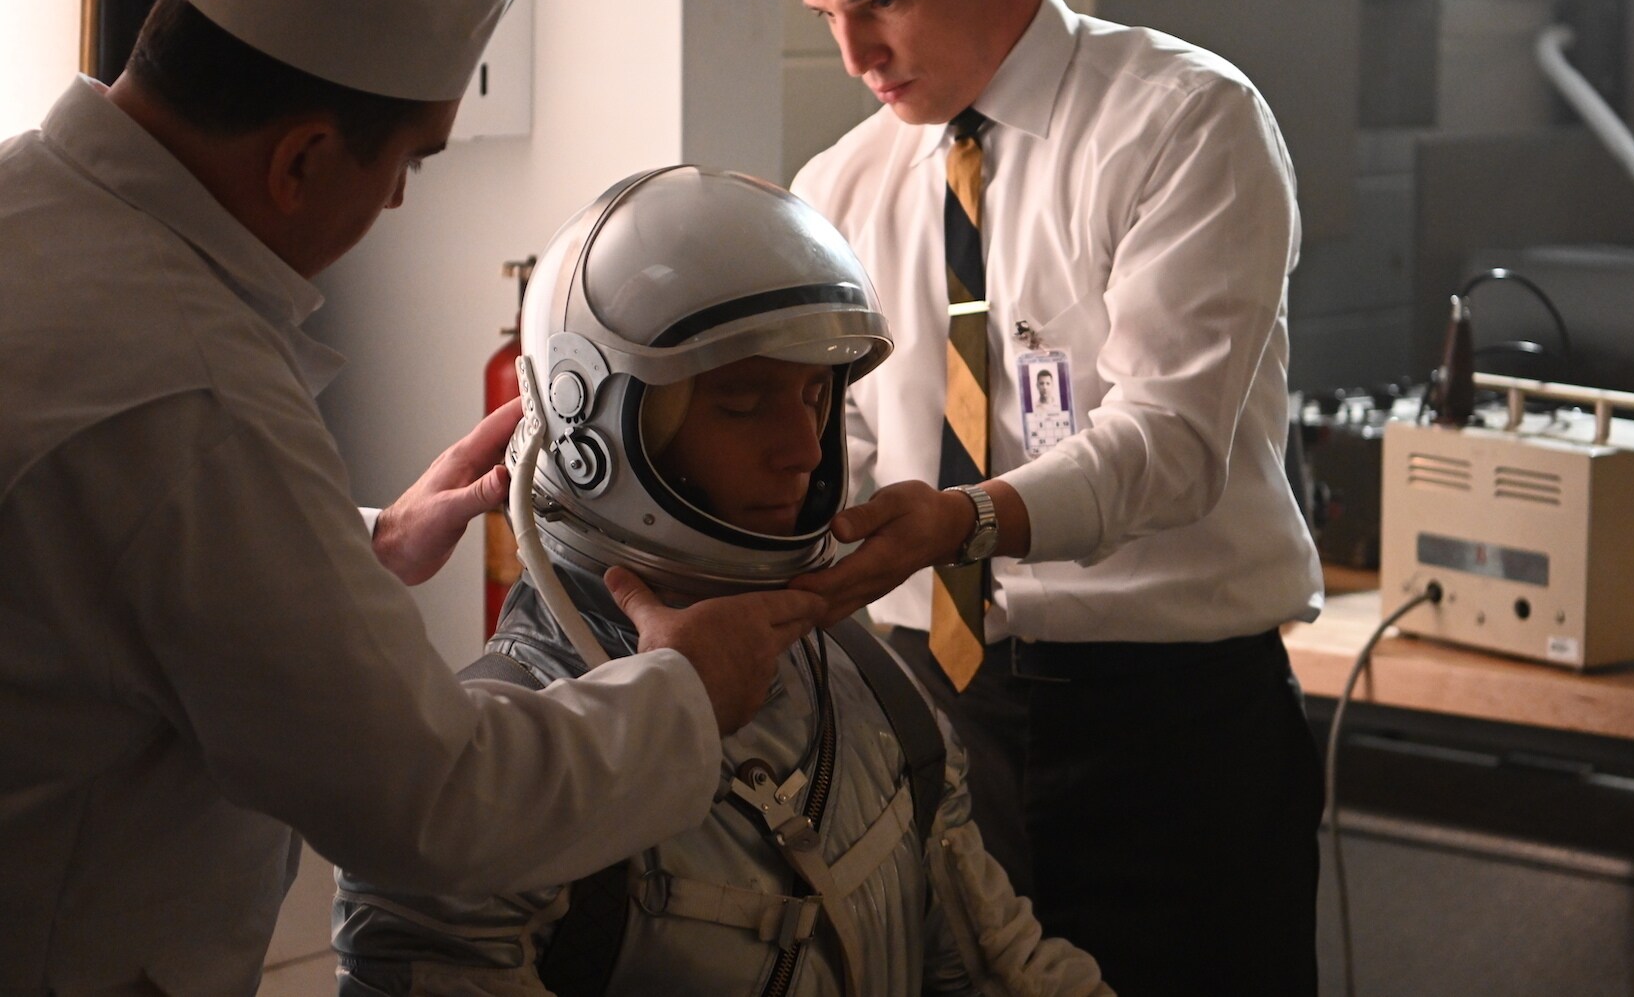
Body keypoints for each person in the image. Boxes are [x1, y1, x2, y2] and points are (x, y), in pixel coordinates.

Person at [0, 0, 817, 991]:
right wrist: (686, 692)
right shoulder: (191, 390)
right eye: (409, 163)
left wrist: (361, 546)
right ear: (300, 159)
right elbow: (432, 804)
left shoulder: (32, 219)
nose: (393, 203)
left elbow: (90, 561)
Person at [331, 167, 1111, 997]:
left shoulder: (879, 694)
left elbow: (998, 970)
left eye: (814, 395)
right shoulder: (479, 782)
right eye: (742, 404)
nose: (804, 449)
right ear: (599, 428)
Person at [772, 0, 1327, 993]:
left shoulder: (1181, 119)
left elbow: (1167, 440)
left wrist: (961, 522)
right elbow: (846, 463)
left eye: (878, 3)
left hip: (1167, 730)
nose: (855, 58)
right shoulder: (836, 187)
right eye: (824, 18)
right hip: (929, 708)